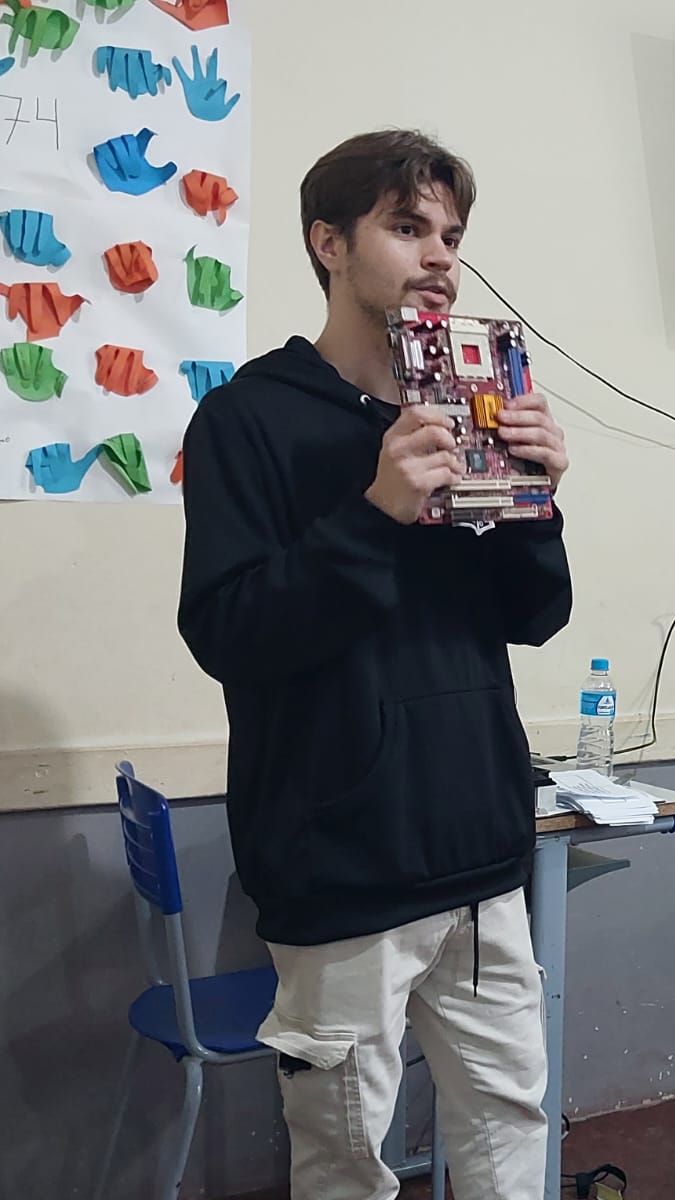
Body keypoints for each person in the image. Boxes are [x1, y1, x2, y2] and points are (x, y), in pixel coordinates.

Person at [176, 129, 571, 1199]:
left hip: (481, 854)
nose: (440, 255)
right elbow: (228, 632)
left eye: (452, 234)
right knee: (347, 1162)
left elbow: (536, 616)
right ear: (329, 243)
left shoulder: (465, 408)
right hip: (341, 867)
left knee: (509, 1132)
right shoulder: (246, 420)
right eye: (406, 227)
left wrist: (536, 500)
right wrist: (377, 512)